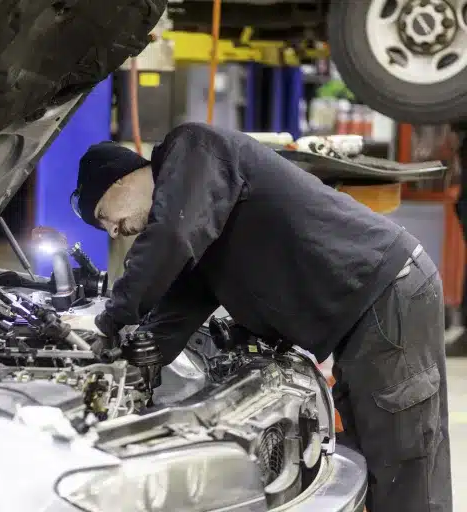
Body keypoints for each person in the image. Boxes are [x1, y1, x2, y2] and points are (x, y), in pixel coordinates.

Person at [68, 123, 451, 512]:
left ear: (117, 181)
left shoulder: (193, 148)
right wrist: (122, 362)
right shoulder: (196, 212)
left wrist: (107, 320)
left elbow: (169, 238)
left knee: (403, 463)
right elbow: (178, 307)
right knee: (372, 458)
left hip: (387, 293)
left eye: (103, 216)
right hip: (363, 315)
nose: (115, 231)